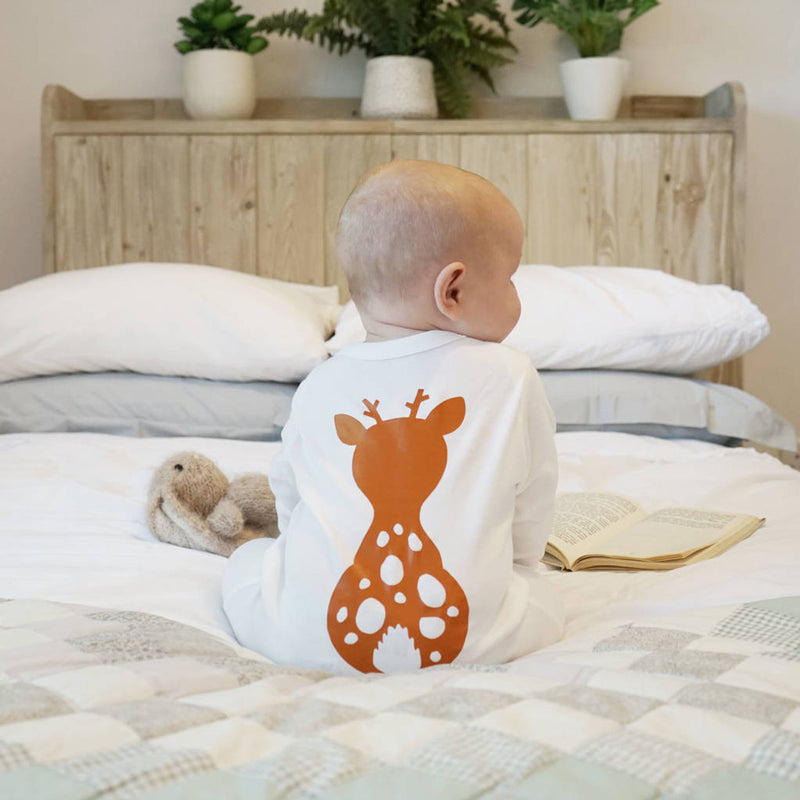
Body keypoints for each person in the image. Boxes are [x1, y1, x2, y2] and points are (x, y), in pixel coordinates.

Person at [222, 159, 564, 674]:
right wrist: (517, 569)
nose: (517, 295)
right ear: (453, 291)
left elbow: (291, 498)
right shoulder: (511, 375)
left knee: (248, 564)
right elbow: (530, 508)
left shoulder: (320, 385)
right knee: (543, 596)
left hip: (300, 639)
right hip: (474, 640)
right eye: (511, 278)